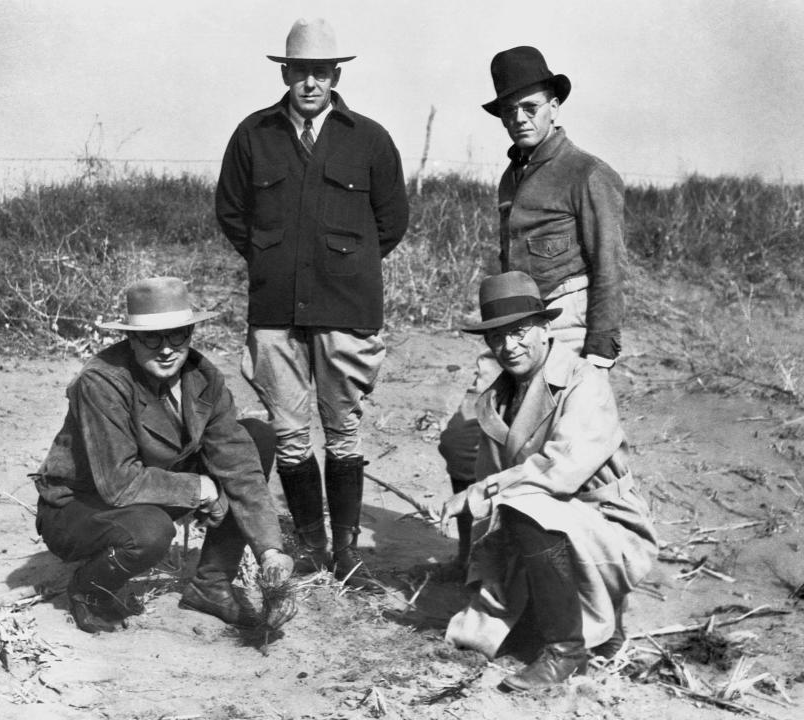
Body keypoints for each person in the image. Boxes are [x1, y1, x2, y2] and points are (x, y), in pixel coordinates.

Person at [215, 18, 409, 589]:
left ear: (336, 75)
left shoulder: (369, 139)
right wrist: (272, 259)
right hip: (275, 313)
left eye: (321, 73)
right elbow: (232, 213)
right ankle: (310, 545)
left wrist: (345, 265)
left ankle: (347, 553)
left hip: (347, 311)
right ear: (286, 72)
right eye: (301, 72)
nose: (310, 84)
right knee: (291, 433)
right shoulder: (254, 136)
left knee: (343, 430)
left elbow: (391, 222)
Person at [438, 45, 629, 577]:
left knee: (560, 461)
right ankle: (476, 559)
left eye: (530, 106)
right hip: (512, 331)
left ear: (554, 107)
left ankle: (573, 582)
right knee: (463, 441)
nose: (519, 118)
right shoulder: (512, 178)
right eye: (509, 111)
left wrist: (599, 355)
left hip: (564, 327)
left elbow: (610, 268)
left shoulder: (587, 173)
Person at [33, 277, 294, 633]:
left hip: (152, 485)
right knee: (151, 532)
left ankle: (211, 586)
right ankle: (88, 590)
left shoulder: (202, 376)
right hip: (80, 506)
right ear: (131, 338)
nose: (167, 349)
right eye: (152, 338)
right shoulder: (102, 381)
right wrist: (203, 488)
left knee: (256, 437)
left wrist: (270, 551)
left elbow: (238, 463)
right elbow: (118, 484)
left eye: (178, 335)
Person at [439, 272, 656, 692]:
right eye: (496, 337)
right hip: (555, 525)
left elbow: (559, 471)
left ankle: (567, 650)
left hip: (608, 524)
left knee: (525, 504)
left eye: (520, 332)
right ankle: (587, 624)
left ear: (544, 328)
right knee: (498, 638)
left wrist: (476, 494)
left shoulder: (584, 382)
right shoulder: (498, 396)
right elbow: (492, 475)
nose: (509, 346)